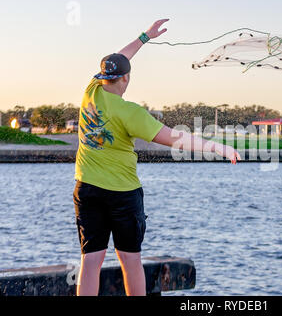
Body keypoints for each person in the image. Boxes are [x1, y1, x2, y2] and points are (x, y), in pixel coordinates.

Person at [73, 19, 241, 296]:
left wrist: (145, 36)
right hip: (122, 194)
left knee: (90, 261)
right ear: (126, 79)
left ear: (104, 76)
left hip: (86, 188)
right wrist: (219, 148)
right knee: (130, 261)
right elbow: (177, 139)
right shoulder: (131, 113)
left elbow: (120, 57)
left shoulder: (90, 91)